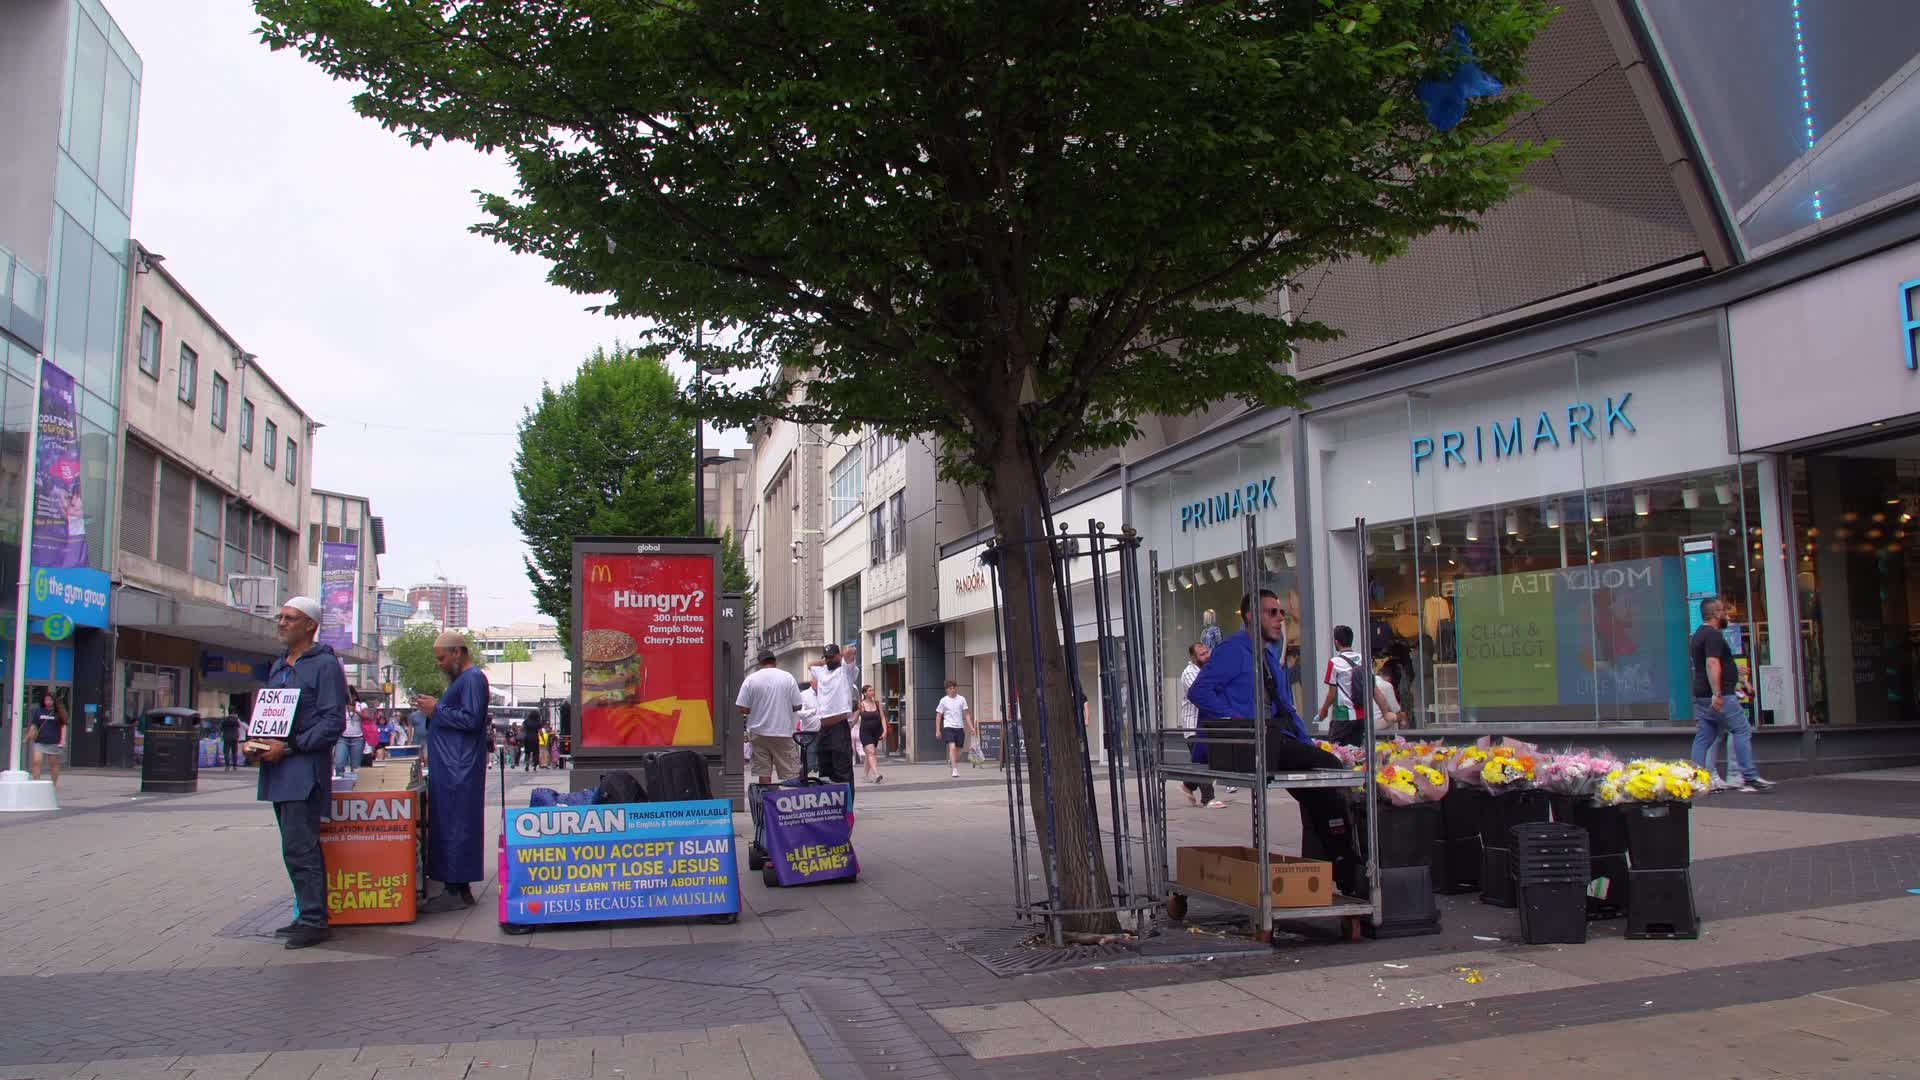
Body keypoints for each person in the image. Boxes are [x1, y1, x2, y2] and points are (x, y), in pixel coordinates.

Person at [1189, 589, 1358, 892]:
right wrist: (1237, 721)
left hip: (1274, 738)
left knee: (1319, 791)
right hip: (1250, 744)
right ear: (1253, 616)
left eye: (1281, 612)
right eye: (1272, 612)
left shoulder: (1268, 655)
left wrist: (1307, 742)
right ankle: (1344, 864)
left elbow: (1286, 706)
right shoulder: (1232, 650)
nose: (1280, 618)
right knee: (1329, 770)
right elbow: (1199, 692)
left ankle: (1337, 864)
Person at [253, 596, 347, 950]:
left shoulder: (324, 666)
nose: (281, 622)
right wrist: (258, 742)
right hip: (279, 769)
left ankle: (314, 919)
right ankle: (306, 913)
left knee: (301, 847)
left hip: (302, 770)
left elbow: (332, 721)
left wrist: (290, 747)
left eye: (290, 618)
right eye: (280, 616)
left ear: (310, 625)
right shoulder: (279, 665)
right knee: (292, 847)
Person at [413, 631, 491, 912]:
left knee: (455, 824)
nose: (440, 664)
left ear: (457, 652)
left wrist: (436, 710)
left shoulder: (471, 679)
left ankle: (456, 888)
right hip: (453, 765)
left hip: (459, 767)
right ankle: (455, 886)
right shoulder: (467, 680)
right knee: (452, 823)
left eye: (442, 658)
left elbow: (471, 719)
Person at [1691, 596, 1774, 792]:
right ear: (1715, 614)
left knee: (1704, 736)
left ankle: (1694, 778)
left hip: (1702, 695)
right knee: (1741, 729)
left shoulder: (1698, 635)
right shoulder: (1713, 635)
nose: (1726, 615)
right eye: (1724, 611)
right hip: (1720, 695)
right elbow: (1712, 663)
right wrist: (1717, 693)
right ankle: (1749, 775)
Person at [1315, 625, 1401, 745]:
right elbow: (1374, 690)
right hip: (1361, 718)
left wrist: (1323, 711)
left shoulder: (1334, 663)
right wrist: (1385, 712)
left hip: (1342, 717)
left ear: (1336, 642)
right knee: (1356, 754)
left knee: (1337, 752)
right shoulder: (1364, 659)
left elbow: (1332, 694)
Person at [738, 650, 802, 785]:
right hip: (783, 732)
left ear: (760, 663)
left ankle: (765, 802)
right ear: (775, 661)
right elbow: (798, 706)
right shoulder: (787, 677)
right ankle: (789, 802)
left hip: (758, 733)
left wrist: (756, 708)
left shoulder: (751, 679)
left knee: (764, 772)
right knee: (791, 772)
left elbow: (742, 708)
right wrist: (783, 706)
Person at [1177, 643, 1225, 808]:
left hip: (1208, 725)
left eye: (1207, 652)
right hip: (1193, 726)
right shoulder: (1189, 673)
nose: (1207, 656)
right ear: (1194, 658)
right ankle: (1208, 799)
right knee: (1203, 762)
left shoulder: (1210, 670)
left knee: (1206, 760)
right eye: (1202, 654)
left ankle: (1188, 785)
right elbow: (1202, 695)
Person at [809, 643, 858, 784]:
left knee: (842, 769)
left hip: (838, 726)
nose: (829, 660)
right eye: (826, 658)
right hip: (824, 728)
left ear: (838, 656)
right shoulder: (822, 671)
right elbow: (809, 664)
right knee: (825, 769)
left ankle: (847, 804)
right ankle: (829, 804)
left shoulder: (845, 670)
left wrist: (841, 656)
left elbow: (849, 652)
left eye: (832, 657)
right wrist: (826, 660)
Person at [934, 680, 972, 778]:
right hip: (948, 727)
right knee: (952, 747)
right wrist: (937, 730)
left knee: (959, 750)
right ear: (947, 690)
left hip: (959, 727)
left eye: (954, 688)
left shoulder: (962, 699)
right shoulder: (943, 701)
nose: (953, 690)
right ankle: (954, 770)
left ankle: (952, 761)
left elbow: (966, 714)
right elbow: (939, 716)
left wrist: (971, 727)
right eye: (950, 688)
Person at [26, 693, 67, 785]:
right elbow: (34, 725)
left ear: (54, 701)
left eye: (50, 700)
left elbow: (63, 726)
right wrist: (28, 736)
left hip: (53, 741)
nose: (48, 702)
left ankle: (54, 784)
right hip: (40, 740)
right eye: (46, 700)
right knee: (36, 761)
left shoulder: (58, 712)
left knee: (53, 764)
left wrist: (63, 740)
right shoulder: (39, 711)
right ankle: (36, 783)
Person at [857, 686, 888, 783]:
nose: (872, 692)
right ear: (865, 693)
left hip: (876, 732)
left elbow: (882, 717)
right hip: (865, 732)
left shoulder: (877, 703)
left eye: (873, 690)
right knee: (872, 752)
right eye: (870, 690)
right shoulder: (861, 704)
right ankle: (876, 774)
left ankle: (865, 775)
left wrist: (885, 731)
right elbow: (855, 716)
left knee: (869, 754)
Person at [334, 687, 366, 780]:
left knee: (355, 767)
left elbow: (367, 717)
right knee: (339, 763)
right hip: (342, 738)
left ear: (354, 696)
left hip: (357, 738)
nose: (348, 699)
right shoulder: (341, 706)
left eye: (350, 696)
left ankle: (354, 788)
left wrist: (355, 710)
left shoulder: (361, 705)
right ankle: (339, 784)